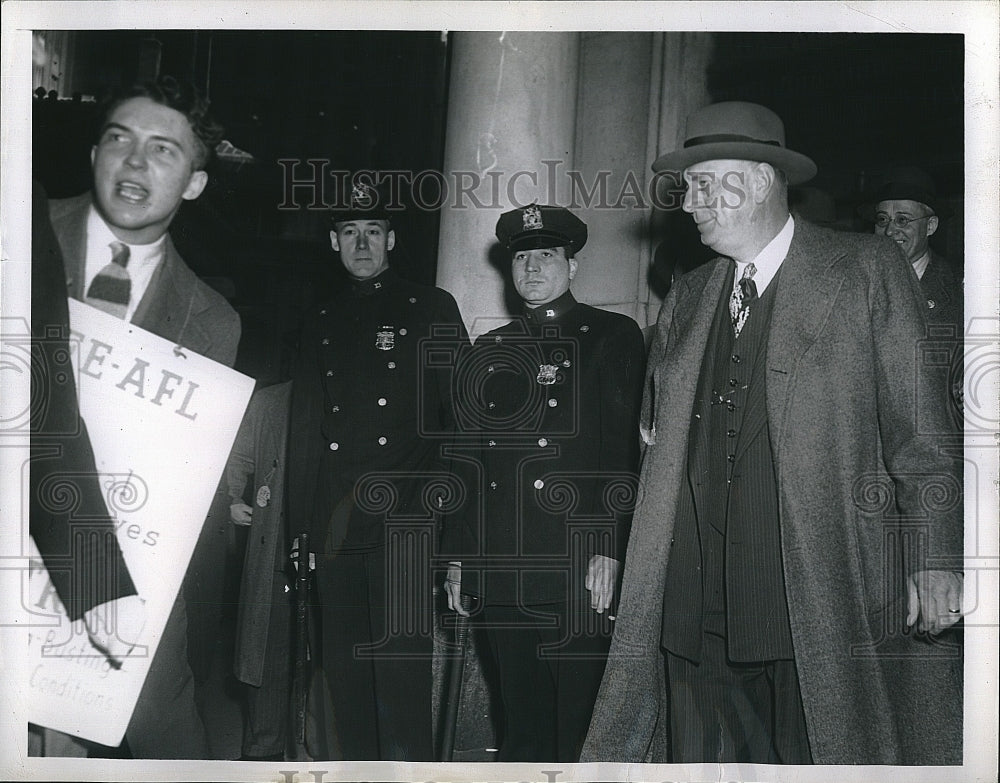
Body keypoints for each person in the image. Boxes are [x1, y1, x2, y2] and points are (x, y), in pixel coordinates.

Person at [581, 102, 963, 766]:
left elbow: (921, 435)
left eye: (706, 183)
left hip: (811, 602)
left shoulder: (865, 269)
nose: (690, 202)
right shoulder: (690, 295)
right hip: (690, 612)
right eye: (688, 186)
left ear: (759, 181)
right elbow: (656, 455)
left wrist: (934, 557)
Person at [43, 75, 240, 759]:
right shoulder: (19, 233)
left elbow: (174, 494)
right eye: (120, 139)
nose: (134, 162)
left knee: (162, 723)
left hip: (125, 560)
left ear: (194, 183)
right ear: (95, 151)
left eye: (164, 150)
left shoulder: (213, 321)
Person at [442, 205, 645, 762]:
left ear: (572, 266)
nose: (533, 266)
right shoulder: (489, 350)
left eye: (547, 254)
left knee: (577, 724)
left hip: (575, 563)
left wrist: (609, 547)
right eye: (522, 256)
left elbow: (622, 452)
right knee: (520, 722)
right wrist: (460, 558)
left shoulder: (611, 335)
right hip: (503, 564)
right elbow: (466, 462)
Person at [287, 179, 467, 760]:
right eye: (349, 233)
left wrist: (450, 526)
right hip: (337, 529)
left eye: (372, 231)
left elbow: (458, 424)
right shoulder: (317, 317)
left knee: (400, 681)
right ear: (333, 242)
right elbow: (306, 434)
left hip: (405, 526)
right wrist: (302, 532)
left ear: (391, 238)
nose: (361, 243)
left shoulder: (431, 307)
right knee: (344, 679)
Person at [225, 381, 293, 761]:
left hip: (333, 556)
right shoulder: (271, 401)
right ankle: (262, 755)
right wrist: (231, 499)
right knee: (266, 652)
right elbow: (238, 456)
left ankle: (312, 753)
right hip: (275, 554)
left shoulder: (356, 391)